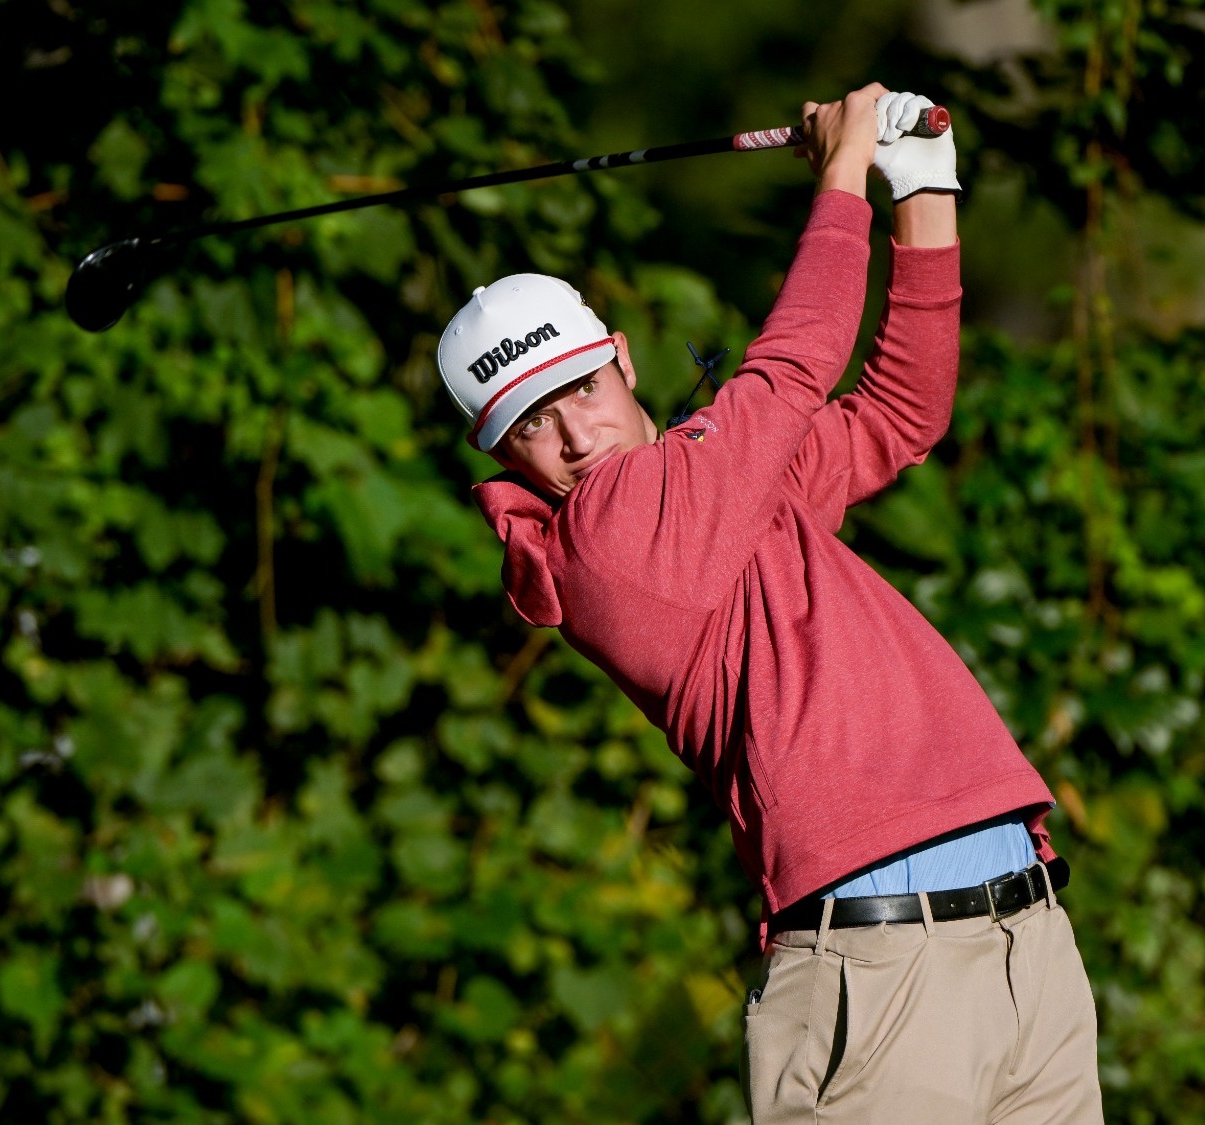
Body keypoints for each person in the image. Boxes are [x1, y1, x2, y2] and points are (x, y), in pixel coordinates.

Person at [437, 83, 1102, 1123]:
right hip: (876, 970)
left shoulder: (722, 492)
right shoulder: (605, 537)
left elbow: (894, 415)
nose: (572, 436)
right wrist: (841, 173)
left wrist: (921, 188)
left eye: (578, 391)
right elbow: (791, 369)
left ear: (618, 356)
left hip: (1021, 939)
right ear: (499, 454)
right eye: (530, 424)